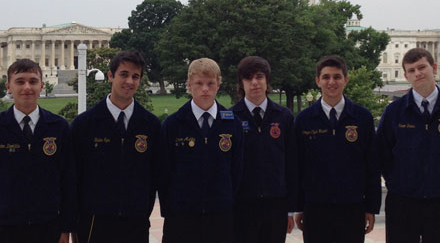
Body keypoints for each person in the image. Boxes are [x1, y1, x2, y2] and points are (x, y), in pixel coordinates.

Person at [71, 51, 160, 243]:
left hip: (135, 221)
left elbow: (155, 174)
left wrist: (143, 209)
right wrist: (72, 222)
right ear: (110, 76)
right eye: (124, 74)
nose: (129, 81)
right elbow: (72, 176)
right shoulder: (84, 124)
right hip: (94, 222)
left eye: (135, 76)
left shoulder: (150, 125)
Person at [294, 55, 381, 243]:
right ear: (318, 81)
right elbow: (297, 166)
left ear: (346, 80)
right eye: (326, 77)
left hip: (352, 206)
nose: (331, 82)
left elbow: (372, 165)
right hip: (315, 207)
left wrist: (371, 207)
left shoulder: (362, 117)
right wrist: (298, 207)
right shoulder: (303, 119)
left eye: (337, 76)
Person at [158, 58, 244, 243]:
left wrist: (225, 200)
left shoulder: (232, 123)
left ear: (218, 85)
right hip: (182, 216)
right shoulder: (173, 124)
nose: (205, 89)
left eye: (210, 83)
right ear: (189, 85)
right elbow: (164, 172)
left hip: (220, 216)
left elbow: (237, 170)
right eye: (199, 83)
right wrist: (171, 208)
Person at [377, 47, 440, 243]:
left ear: (434, 67)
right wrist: (395, 182)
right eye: (411, 70)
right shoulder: (394, 112)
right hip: (403, 201)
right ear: (406, 75)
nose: (417, 73)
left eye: (421, 67)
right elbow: (382, 153)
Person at [0, 59, 76, 243]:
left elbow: (68, 181)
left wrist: (66, 227)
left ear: (41, 85)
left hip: (48, 226)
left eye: (33, 81)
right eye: (20, 81)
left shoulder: (59, 127)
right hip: (5, 227)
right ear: (8, 86)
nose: (27, 87)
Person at [231, 56, 297, 243]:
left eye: (259, 77)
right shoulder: (230, 117)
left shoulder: (284, 117)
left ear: (267, 80)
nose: (254, 83)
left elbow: (291, 164)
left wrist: (291, 209)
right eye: (248, 78)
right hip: (242, 206)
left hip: (276, 205)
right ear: (241, 83)